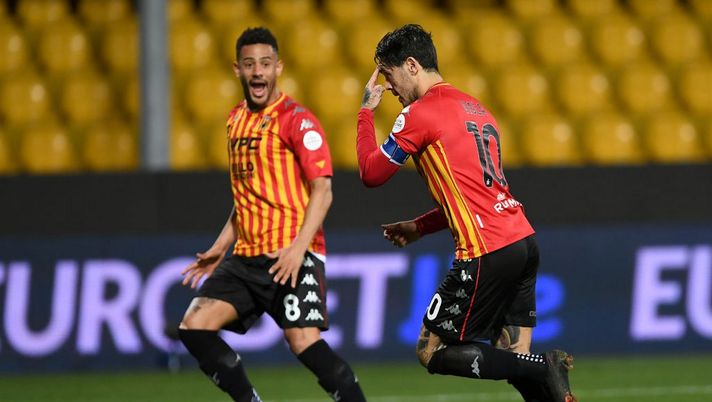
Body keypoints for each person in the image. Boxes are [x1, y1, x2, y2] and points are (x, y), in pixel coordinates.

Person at [355, 24, 576, 402]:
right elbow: (472, 195)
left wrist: (364, 114)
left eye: (390, 76)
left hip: (485, 250)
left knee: (431, 350)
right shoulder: (478, 109)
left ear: (411, 66)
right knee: (517, 362)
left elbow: (371, 173)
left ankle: (545, 365)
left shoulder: (420, 113)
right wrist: (419, 227)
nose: (389, 88)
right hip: (522, 241)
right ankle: (542, 370)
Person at [178, 27, 367, 402]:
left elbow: (323, 190)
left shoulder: (299, 121)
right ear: (237, 70)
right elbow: (246, 195)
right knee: (194, 327)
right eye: (250, 64)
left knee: (303, 343)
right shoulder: (235, 121)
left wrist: (299, 248)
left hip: (291, 254)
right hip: (246, 259)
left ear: (278, 66)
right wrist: (220, 247)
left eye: (265, 63)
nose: (258, 72)